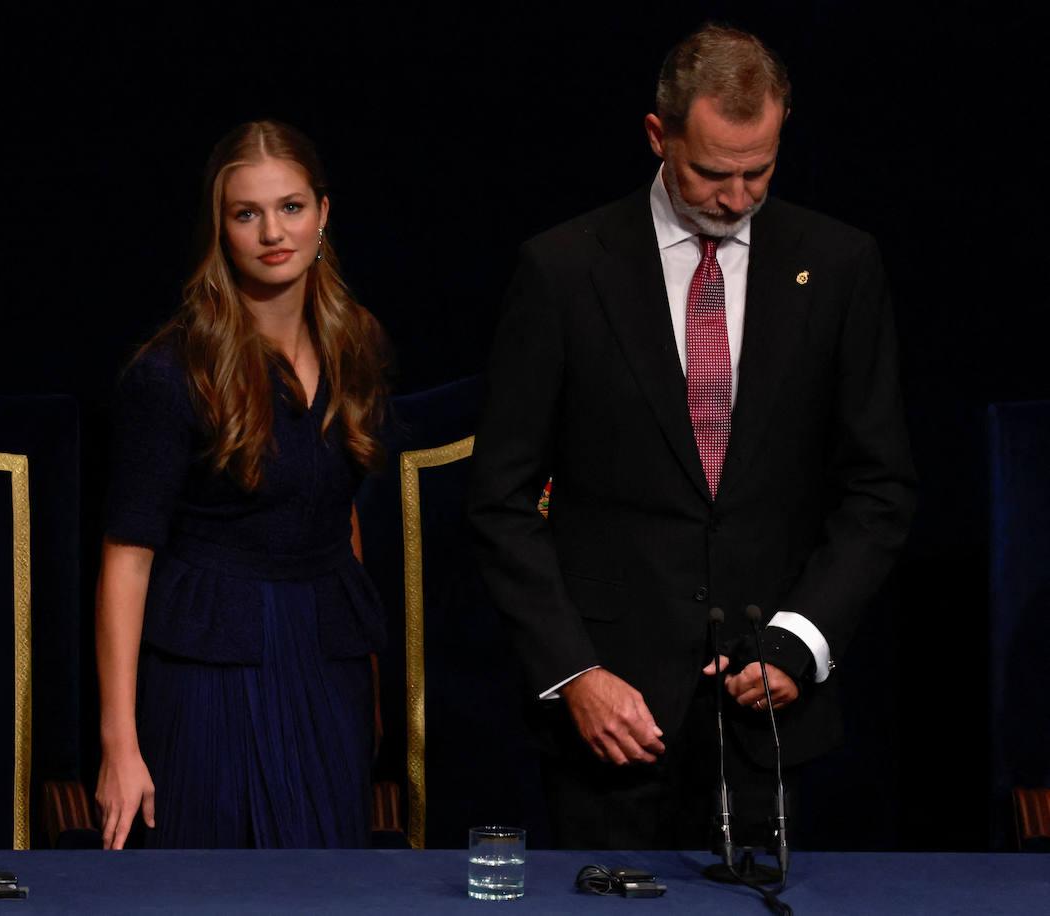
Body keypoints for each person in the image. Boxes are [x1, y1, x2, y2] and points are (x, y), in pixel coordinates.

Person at [468, 24, 916, 849]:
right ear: (657, 135)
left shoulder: (841, 265)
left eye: (760, 171)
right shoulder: (564, 270)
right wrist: (574, 672)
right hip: (610, 718)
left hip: (769, 717)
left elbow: (879, 487)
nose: (737, 197)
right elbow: (498, 499)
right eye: (712, 172)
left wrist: (801, 641)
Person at [94, 120, 390, 850]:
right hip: (208, 672)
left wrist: (370, 685)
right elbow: (125, 562)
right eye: (247, 213)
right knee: (211, 887)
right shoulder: (172, 373)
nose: (272, 232)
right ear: (220, 229)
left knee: (331, 892)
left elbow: (341, 518)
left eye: (290, 207)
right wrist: (119, 746)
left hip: (328, 665)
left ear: (324, 213)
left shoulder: (357, 346)